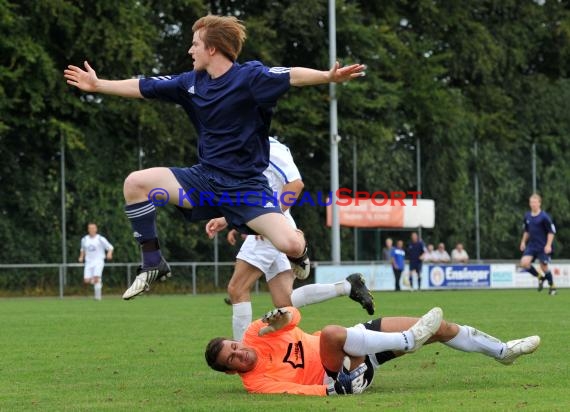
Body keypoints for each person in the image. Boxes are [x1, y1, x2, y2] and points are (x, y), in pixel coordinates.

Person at [63, 15, 366, 300]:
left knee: (288, 243)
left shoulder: (250, 77)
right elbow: (144, 86)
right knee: (136, 183)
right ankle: (153, 262)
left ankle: (300, 251)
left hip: (246, 188)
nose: (190, 49)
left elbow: (292, 75)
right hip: (204, 180)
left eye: (195, 43)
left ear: (212, 48)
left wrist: (327, 76)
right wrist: (98, 84)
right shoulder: (190, 82)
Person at [206, 136, 374, 340]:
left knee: (237, 288)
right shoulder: (248, 146)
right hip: (272, 224)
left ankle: (244, 353)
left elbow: (295, 185)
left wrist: (267, 219)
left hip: (272, 227)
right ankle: (348, 286)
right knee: (284, 301)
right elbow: (257, 194)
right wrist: (230, 220)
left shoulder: (268, 147)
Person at [205, 306, 540, 396]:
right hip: (338, 374)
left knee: (439, 328)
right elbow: (292, 390)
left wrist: (283, 316)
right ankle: (408, 341)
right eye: (232, 359)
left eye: (235, 347)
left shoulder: (255, 333)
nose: (240, 353)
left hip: (356, 343)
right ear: (232, 371)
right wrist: (332, 391)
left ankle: (502, 351)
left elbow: (294, 316)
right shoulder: (255, 383)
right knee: (333, 333)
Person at [519, 193, 557, 295]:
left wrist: (548, 245)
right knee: (524, 263)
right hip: (532, 245)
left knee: (544, 267)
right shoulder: (527, 216)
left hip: (542, 246)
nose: (533, 204)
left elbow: (551, 231)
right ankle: (540, 278)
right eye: (531, 202)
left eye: (535, 202)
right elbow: (526, 231)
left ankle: (552, 286)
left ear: (539, 203)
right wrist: (523, 242)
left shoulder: (544, 217)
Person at [78, 222, 114, 300]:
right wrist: (81, 257)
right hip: (88, 262)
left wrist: (109, 254)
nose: (91, 230)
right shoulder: (84, 239)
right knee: (87, 280)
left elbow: (110, 247)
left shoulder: (100, 239)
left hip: (98, 261)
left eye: (93, 228)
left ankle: (97, 298)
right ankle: (99, 282)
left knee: (96, 278)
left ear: (96, 229)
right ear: (88, 229)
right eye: (90, 228)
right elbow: (82, 249)